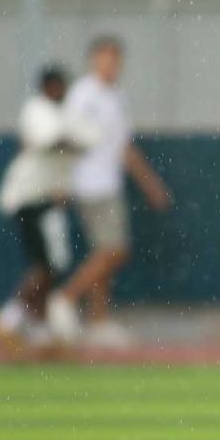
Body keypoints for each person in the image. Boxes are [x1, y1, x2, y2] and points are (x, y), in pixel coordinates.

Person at [47, 35, 171, 348]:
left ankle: (97, 320)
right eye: (105, 58)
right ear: (93, 60)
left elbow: (124, 148)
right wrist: (61, 181)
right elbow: (65, 140)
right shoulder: (83, 95)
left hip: (109, 183)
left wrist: (150, 184)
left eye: (116, 59)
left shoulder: (116, 97)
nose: (111, 64)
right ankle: (64, 298)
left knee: (104, 251)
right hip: (89, 183)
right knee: (114, 250)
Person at [0, 66, 100, 355]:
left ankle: (40, 332)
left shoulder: (67, 112)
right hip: (29, 197)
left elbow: (90, 138)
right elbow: (52, 140)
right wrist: (70, 141)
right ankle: (9, 319)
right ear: (45, 88)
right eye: (54, 86)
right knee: (44, 266)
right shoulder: (36, 110)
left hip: (51, 200)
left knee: (52, 266)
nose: (58, 91)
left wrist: (70, 140)